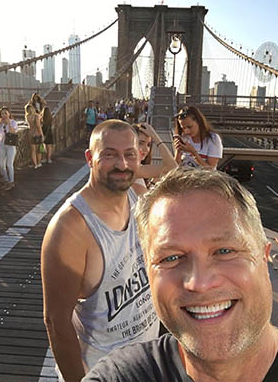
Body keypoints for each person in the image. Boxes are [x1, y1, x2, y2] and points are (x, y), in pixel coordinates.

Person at [83, 167, 278, 382]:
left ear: (263, 258)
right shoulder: (121, 376)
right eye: (171, 258)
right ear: (149, 274)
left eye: (224, 251)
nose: (199, 283)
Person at [41, 120, 160, 382]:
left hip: (148, 365)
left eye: (129, 154)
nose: (122, 164)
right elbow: (56, 322)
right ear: (90, 158)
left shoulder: (139, 197)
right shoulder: (71, 228)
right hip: (102, 374)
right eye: (109, 154)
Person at [132, 122, 177, 189]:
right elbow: (172, 167)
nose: (146, 149)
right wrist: (155, 136)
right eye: (140, 143)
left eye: (148, 145)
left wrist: (152, 184)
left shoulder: (138, 168)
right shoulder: (134, 169)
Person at [0, 107, 18, 190]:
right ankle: (6, 180)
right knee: (0, 165)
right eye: (2, 113)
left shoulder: (13, 122)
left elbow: (13, 132)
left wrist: (9, 124)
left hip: (11, 146)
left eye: (5, 113)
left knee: (9, 164)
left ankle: (11, 182)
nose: (4, 115)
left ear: (9, 113)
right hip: (2, 145)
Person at [25, 103, 44, 169]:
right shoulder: (36, 116)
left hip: (30, 133)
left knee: (33, 150)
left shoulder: (27, 116)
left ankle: (35, 164)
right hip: (37, 134)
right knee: (38, 150)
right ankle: (39, 163)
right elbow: (38, 126)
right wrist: (42, 135)